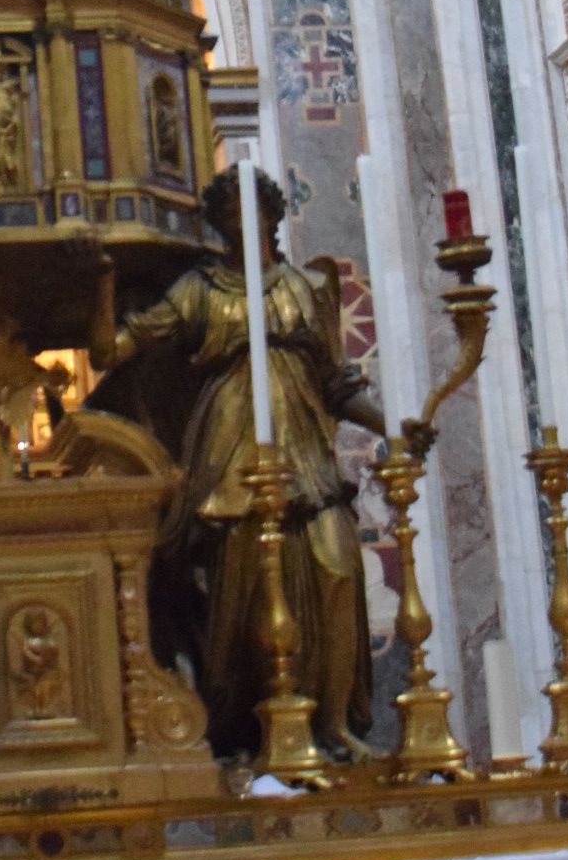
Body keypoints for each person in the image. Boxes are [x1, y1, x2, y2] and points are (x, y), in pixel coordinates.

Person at [89, 167, 384, 757]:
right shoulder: (198, 290)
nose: (241, 221)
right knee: (242, 590)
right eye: (227, 213)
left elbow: (336, 384)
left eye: (251, 209)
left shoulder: (306, 287)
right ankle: (252, 728)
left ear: (273, 214)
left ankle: (333, 724)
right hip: (231, 449)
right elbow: (109, 352)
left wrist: (391, 428)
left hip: (304, 449)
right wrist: (101, 283)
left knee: (336, 566)